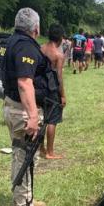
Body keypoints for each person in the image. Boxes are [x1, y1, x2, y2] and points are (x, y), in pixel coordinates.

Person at [0, 7, 58, 206]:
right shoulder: (25, 46)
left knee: (27, 155)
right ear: (36, 27)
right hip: (22, 110)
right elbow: (24, 82)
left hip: (14, 105)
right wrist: (33, 116)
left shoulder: (12, 42)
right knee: (24, 155)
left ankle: (27, 197)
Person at [40, 24, 67, 159]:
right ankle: (50, 152)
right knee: (52, 120)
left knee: (41, 119)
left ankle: (41, 149)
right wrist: (62, 95)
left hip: (39, 89)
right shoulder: (58, 55)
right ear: (61, 38)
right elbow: (59, 77)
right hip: (52, 90)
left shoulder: (41, 49)